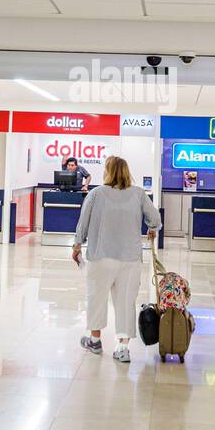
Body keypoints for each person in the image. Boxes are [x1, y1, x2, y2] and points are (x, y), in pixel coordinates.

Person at [72, 155, 160, 362]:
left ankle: (94, 340)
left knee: (97, 298)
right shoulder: (139, 194)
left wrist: (76, 246)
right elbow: (154, 219)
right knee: (126, 302)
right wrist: (152, 228)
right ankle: (122, 348)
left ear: (108, 171)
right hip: (130, 259)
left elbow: (82, 223)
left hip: (100, 256)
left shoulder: (96, 194)